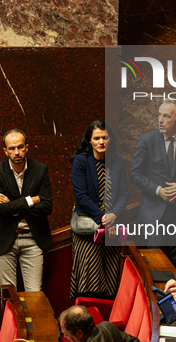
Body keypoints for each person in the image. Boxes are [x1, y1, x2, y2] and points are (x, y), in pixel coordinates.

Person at [129, 100, 176, 267]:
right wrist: (158, 190)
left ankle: (171, 294)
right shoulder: (147, 140)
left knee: (175, 262)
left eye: (166, 116)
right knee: (156, 263)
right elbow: (134, 174)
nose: (160, 119)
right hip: (154, 214)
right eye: (159, 115)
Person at [0, 129, 53, 292]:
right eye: (12, 148)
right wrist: (31, 200)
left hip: (33, 237)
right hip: (5, 239)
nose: (16, 152)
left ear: (27, 147)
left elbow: (46, 207)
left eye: (20, 147)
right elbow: (0, 209)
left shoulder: (40, 169)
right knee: (8, 295)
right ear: (5, 151)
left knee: (34, 294)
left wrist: (13, 205)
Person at [70, 121, 128, 299]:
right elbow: (81, 196)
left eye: (105, 137)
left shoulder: (118, 160)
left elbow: (124, 193)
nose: (101, 141)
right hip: (89, 227)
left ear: (110, 140)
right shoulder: (81, 161)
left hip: (111, 229)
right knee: (91, 276)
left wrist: (114, 215)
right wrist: (103, 218)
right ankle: (89, 320)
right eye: (97, 138)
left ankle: (108, 321)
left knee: (111, 275)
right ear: (90, 140)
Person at [59, 305, 140, 342]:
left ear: (79, 333)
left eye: (66, 334)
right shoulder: (107, 325)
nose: (66, 337)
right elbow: (134, 341)